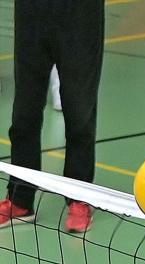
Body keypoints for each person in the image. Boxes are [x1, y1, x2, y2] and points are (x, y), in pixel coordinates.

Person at [0, 0, 105, 232]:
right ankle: (20, 200)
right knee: (24, 113)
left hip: (79, 16)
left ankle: (79, 197)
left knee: (79, 112)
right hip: (32, 13)